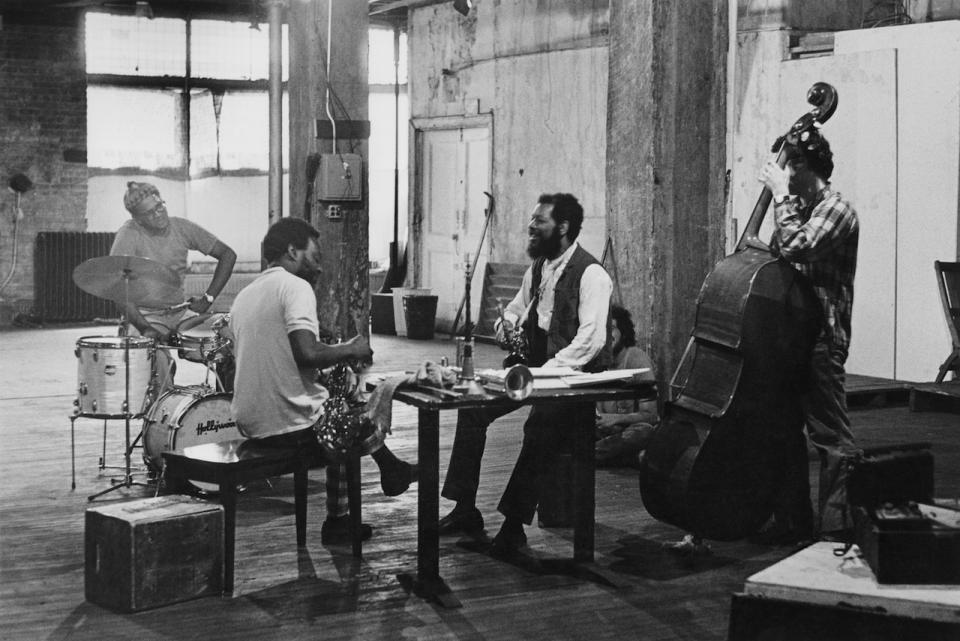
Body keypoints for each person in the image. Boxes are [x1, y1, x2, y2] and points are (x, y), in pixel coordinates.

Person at [437, 193, 613, 555]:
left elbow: (592, 340)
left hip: (571, 378)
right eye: (532, 220)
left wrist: (547, 373)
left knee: (540, 428)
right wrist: (507, 326)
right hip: (535, 369)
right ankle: (465, 508)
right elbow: (517, 310)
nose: (531, 227)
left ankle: (513, 527)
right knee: (473, 410)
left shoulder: (593, 274)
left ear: (562, 228)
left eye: (539, 221)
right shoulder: (540, 267)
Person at [228, 218, 418, 544]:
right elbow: (306, 353)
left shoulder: (243, 296)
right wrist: (350, 348)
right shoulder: (295, 286)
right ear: (292, 252)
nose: (318, 269)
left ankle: (389, 470)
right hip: (286, 424)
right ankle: (342, 517)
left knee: (336, 408)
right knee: (351, 415)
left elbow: (276, 361)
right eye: (315, 258)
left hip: (249, 420)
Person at [756, 130, 860, 543]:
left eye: (788, 163)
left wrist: (779, 197)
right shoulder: (797, 207)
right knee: (782, 432)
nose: (782, 172)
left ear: (804, 166)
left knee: (832, 439)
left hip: (821, 336)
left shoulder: (838, 209)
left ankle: (837, 532)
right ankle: (792, 524)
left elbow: (798, 245)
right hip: (790, 337)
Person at [110, 181, 237, 396]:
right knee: (153, 357)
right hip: (146, 316)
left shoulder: (181, 227)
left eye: (160, 206)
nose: (158, 214)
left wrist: (208, 298)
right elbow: (119, 293)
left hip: (180, 311)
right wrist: (143, 327)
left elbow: (228, 255)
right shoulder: (128, 234)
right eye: (149, 213)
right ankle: (161, 417)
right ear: (137, 219)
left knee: (231, 340)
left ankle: (227, 409)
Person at [594, 305, 658, 467]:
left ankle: (588, 456)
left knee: (644, 432)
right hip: (603, 433)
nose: (607, 334)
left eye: (612, 328)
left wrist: (615, 419)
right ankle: (625, 458)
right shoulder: (593, 361)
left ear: (623, 332)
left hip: (628, 430)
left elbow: (650, 416)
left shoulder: (636, 358)